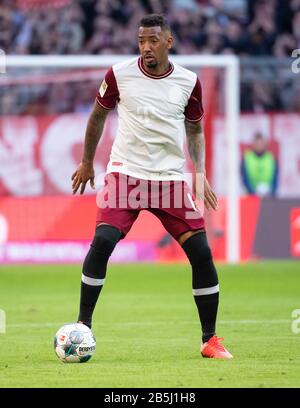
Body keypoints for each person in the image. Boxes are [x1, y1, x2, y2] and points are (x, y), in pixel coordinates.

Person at [71, 14, 232, 359]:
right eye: (141, 40)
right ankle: (82, 327)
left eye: (153, 40)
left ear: (168, 42)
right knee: (103, 241)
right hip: (125, 174)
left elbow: (195, 129)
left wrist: (199, 172)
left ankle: (210, 340)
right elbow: (97, 116)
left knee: (202, 254)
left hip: (170, 180)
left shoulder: (189, 82)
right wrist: (87, 161)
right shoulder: (119, 74)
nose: (145, 47)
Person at [241, 132, 278, 196]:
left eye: (261, 143)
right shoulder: (247, 158)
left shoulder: (271, 158)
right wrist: (252, 192)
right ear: (253, 144)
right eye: (257, 143)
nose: (259, 146)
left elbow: (275, 179)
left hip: (268, 195)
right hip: (250, 196)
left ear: (265, 144)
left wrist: (272, 192)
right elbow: (244, 178)